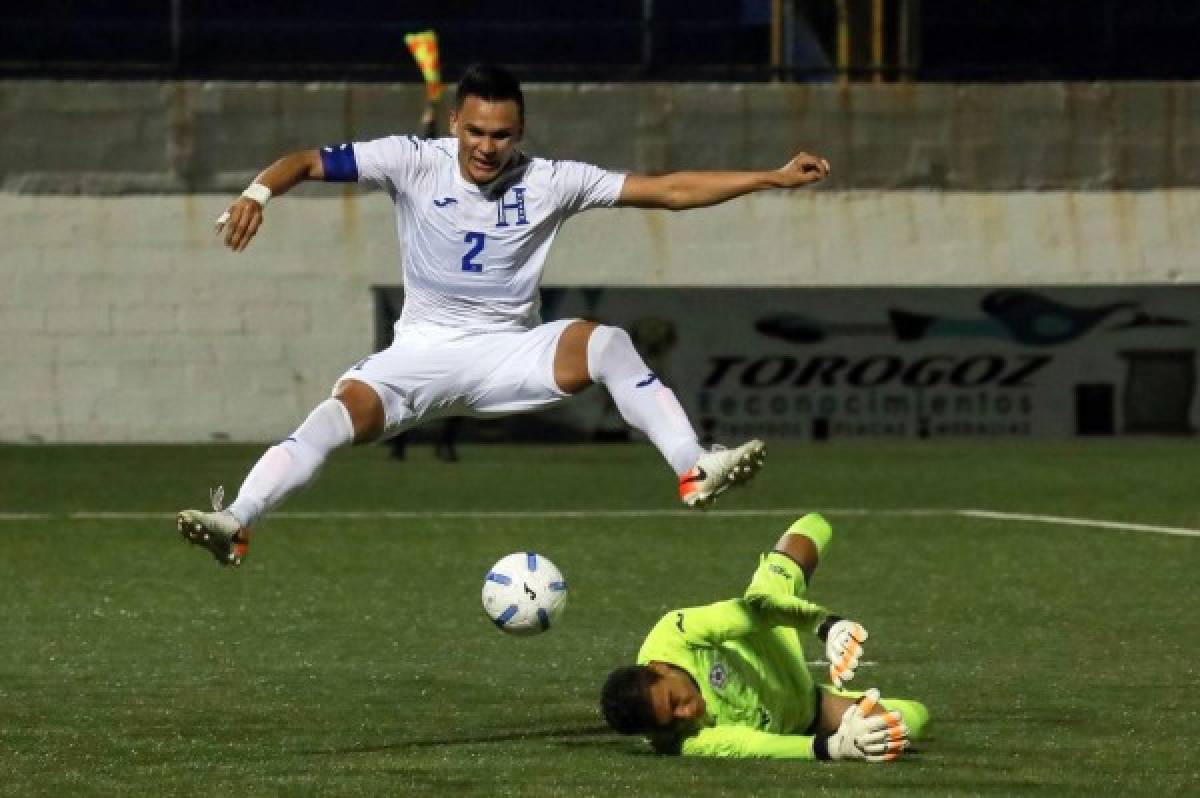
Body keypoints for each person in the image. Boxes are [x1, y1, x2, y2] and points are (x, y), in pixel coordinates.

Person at [177, 64, 830, 566]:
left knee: (606, 343)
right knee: (330, 418)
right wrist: (258, 192)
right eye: (476, 131)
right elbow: (306, 161)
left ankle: (692, 465)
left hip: (509, 354)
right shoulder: (410, 159)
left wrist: (771, 177)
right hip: (420, 355)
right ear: (455, 123)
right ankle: (237, 520)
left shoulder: (552, 179)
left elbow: (669, 190)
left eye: (502, 134)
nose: (487, 147)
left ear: (520, 132)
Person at [600, 513, 929, 760]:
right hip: (807, 713)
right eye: (670, 722)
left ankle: (792, 577)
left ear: (660, 668)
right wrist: (832, 747)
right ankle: (847, 710)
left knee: (807, 536)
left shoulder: (674, 635)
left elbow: (752, 613)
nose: (685, 715)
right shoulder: (679, 741)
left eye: (674, 702)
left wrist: (826, 626)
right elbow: (752, 746)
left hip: (776, 647)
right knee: (915, 719)